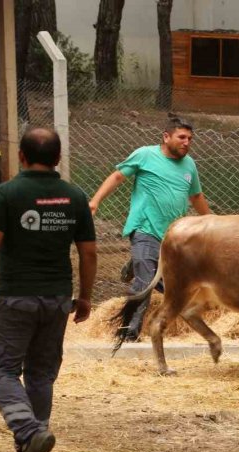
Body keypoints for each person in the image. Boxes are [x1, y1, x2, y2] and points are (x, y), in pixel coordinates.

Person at [0, 128, 97, 452]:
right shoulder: (75, 196)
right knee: (41, 373)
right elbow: (89, 252)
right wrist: (85, 296)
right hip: (56, 299)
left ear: (20, 156)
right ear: (58, 158)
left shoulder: (8, 193)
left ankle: (28, 430)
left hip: (15, 297)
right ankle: (30, 445)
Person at [89, 116, 211, 341]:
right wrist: (95, 202)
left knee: (175, 285)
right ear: (166, 137)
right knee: (146, 283)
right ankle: (129, 333)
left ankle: (137, 265)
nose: (187, 142)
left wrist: (213, 223)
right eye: (181, 137)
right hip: (145, 228)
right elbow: (117, 176)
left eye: (190, 138)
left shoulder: (189, 165)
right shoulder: (145, 155)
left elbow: (196, 196)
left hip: (174, 237)